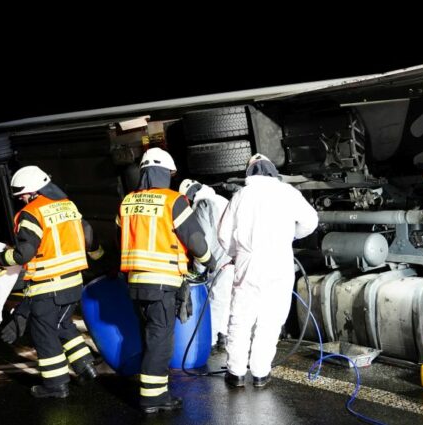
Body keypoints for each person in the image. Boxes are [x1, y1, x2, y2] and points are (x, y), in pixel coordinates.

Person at [0, 166, 98, 398]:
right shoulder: (68, 205)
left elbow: (24, 253)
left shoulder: (31, 213)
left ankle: (56, 386)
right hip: (74, 282)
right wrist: (100, 258)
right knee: (63, 325)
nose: (22, 200)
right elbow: (87, 232)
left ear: (33, 191)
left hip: (49, 284)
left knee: (44, 333)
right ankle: (85, 365)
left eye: (22, 195)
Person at [118, 148, 215, 414]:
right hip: (161, 283)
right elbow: (195, 240)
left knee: (150, 337)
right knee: (160, 340)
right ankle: (152, 398)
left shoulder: (127, 202)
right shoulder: (173, 201)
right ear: (165, 173)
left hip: (135, 283)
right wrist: (209, 261)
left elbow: (121, 237)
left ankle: (156, 394)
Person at [217, 154, 318, 388]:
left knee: (241, 318)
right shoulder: (288, 193)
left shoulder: (241, 196)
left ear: (250, 173)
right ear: (273, 172)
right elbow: (311, 221)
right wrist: (291, 236)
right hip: (279, 260)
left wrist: (237, 252)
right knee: (270, 319)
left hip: (248, 261)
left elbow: (223, 234)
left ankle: (236, 372)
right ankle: (261, 373)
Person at [178, 179, 233, 349]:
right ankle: (223, 336)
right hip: (232, 259)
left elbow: (202, 242)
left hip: (218, 263)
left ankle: (210, 341)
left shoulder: (203, 205)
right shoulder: (221, 200)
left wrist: (198, 270)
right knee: (225, 301)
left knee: (215, 302)